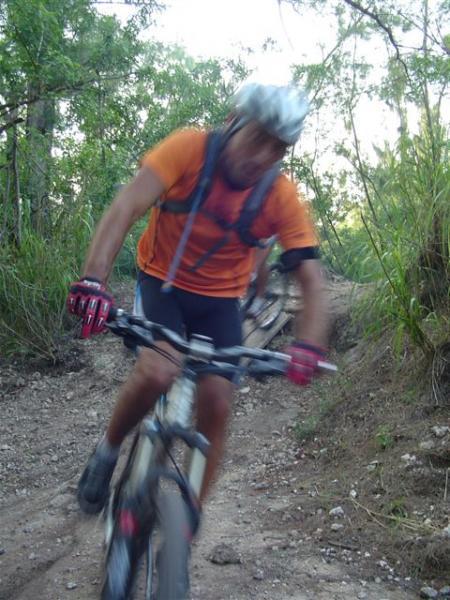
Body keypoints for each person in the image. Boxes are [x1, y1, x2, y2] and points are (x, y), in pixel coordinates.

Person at [67, 83, 329, 532]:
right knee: (159, 370)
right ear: (233, 122)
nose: (264, 155)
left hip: (221, 302)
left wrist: (309, 344)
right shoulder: (187, 149)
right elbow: (127, 205)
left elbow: (310, 277)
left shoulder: (280, 195)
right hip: (162, 284)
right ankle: (108, 452)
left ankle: (188, 518)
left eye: (278, 148)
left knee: (218, 401)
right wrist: (94, 279)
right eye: (257, 138)